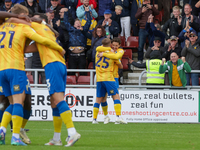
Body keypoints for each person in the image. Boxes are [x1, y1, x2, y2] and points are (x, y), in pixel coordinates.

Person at [0, 4, 64, 146]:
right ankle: (15, 137)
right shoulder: (23, 27)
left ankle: (2, 129)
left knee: (11, 102)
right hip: (16, 69)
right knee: (19, 102)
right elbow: (42, 40)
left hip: (1, 70)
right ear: (23, 14)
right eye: (27, 15)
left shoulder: (2, 26)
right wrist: (59, 48)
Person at [24, 13, 81, 147]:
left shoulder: (34, 26)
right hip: (60, 64)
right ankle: (56, 138)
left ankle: (72, 132)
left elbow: (26, 39)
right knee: (54, 102)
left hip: (51, 64)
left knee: (58, 99)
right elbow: (30, 48)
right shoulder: (48, 31)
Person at [92, 38, 127, 124]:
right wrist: (109, 53)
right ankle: (117, 117)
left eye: (116, 45)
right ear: (110, 44)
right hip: (109, 78)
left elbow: (98, 48)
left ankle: (96, 119)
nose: (114, 47)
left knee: (100, 98)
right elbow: (120, 64)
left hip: (100, 79)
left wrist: (104, 53)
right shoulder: (112, 53)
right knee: (114, 96)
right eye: (113, 45)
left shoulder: (98, 52)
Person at [63, 9, 91, 75]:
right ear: (74, 25)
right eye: (76, 23)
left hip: (82, 54)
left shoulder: (84, 29)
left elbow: (89, 22)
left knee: (83, 72)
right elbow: (66, 22)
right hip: (72, 55)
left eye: (79, 23)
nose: (78, 24)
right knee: (71, 72)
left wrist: (87, 12)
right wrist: (66, 12)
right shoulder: (71, 30)